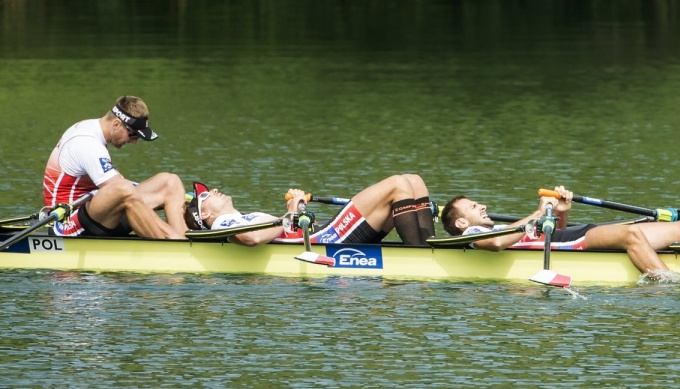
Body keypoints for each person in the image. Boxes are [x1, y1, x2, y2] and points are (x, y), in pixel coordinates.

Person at [440, 186, 671, 278]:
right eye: (473, 206)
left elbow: (554, 233)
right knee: (630, 234)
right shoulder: (474, 233)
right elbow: (497, 243)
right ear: (461, 224)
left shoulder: (490, 228)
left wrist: (561, 211)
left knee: (667, 229)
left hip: (568, 237)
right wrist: (539, 212)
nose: (482, 206)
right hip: (573, 241)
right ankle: (669, 283)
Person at [43, 95, 187, 239]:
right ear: (117, 124)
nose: (134, 142)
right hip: (67, 222)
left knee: (170, 182)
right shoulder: (87, 143)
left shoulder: (92, 126)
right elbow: (120, 188)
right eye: (133, 135)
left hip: (96, 214)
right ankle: (175, 242)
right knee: (123, 189)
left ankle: (186, 237)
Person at [184, 173, 435, 247]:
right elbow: (251, 238)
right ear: (204, 215)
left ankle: (428, 245)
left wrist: (292, 212)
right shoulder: (221, 223)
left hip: (323, 233)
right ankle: (423, 255)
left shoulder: (239, 216)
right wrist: (291, 213)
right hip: (328, 238)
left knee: (414, 180)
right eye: (205, 196)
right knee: (398, 185)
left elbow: (281, 229)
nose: (213, 190)